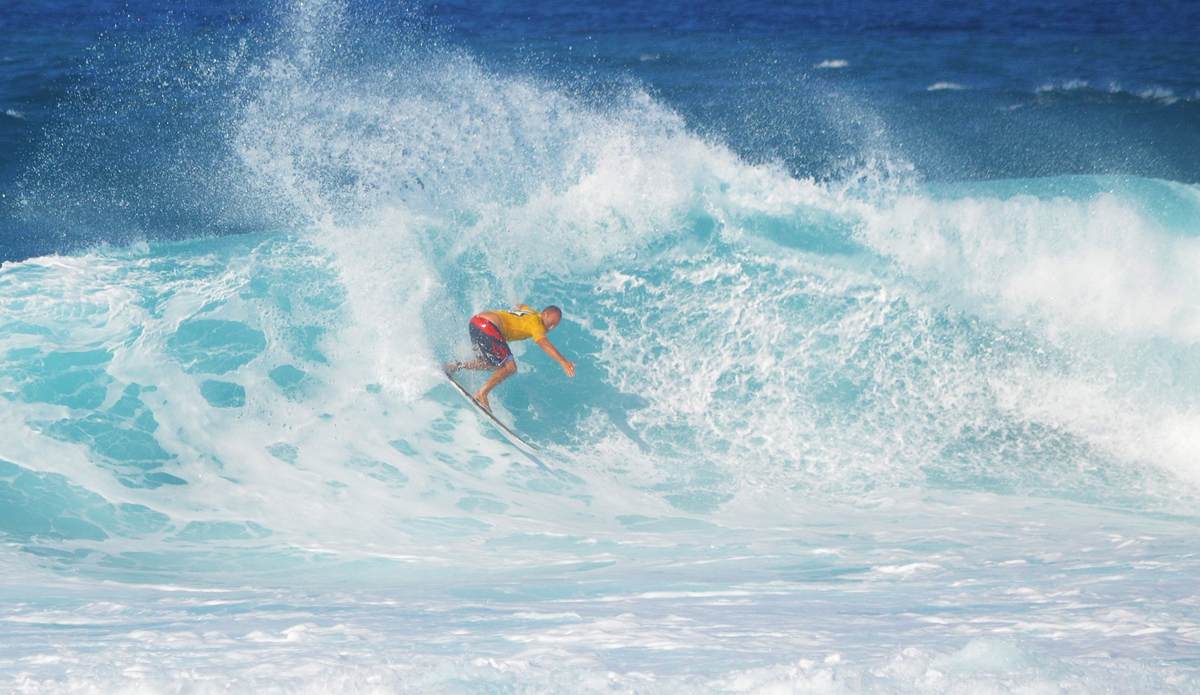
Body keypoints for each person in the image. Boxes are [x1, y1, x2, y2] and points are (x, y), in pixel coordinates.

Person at [444, 304, 576, 411]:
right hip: (488, 325)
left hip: (476, 322)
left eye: (554, 326)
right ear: (545, 314)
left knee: (493, 364)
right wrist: (563, 361)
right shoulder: (538, 325)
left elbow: (521, 306)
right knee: (511, 367)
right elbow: (542, 342)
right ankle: (482, 393)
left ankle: (456, 366)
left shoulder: (532, 313)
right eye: (551, 323)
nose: (551, 328)